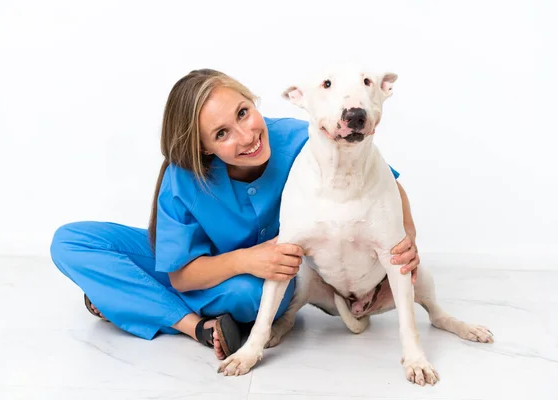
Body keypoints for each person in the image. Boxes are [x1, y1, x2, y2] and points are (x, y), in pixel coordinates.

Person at [49, 68, 420, 360]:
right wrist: (246, 258)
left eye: (244, 113)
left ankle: (128, 298)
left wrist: (408, 238)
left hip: (262, 279)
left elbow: (385, 179)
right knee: (71, 240)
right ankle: (195, 325)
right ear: (204, 148)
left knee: (252, 297)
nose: (246, 136)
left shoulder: (301, 138)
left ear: (253, 101)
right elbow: (180, 273)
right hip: (207, 267)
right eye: (222, 134)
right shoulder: (185, 176)